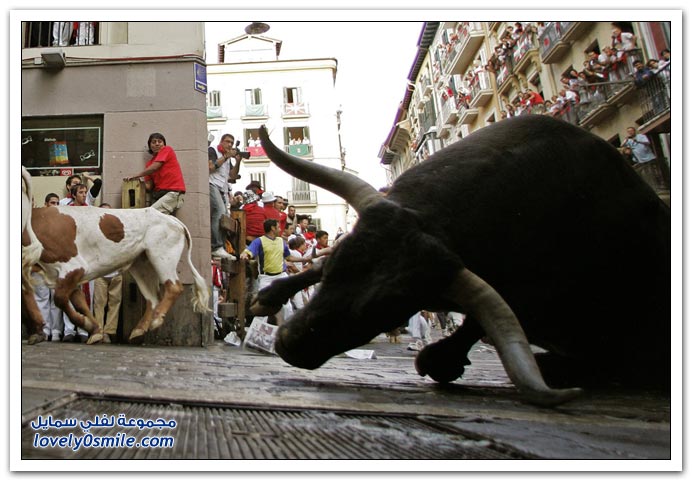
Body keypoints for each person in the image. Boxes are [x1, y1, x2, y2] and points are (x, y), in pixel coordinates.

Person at [240, 219, 306, 325]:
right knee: (262, 307)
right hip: (266, 278)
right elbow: (249, 251)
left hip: (281, 275)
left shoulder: (281, 241)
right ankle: (258, 335)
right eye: (278, 227)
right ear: (272, 228)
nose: (280, 229)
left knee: (287, 307)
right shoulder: (259, 241)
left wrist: (305, 259)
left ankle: (286, 331)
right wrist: (245, 254)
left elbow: (288, 257)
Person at [124, 132, 185, 215]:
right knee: (158, 223)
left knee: (151, 215)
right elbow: (149, 186)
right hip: (158, 194)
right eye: (153, 142)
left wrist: (136, 175)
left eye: (159, 142)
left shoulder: (167, 149)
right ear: (150, 146)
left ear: (164, 144)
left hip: (172, 192)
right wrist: (137, 182)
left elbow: (154, 167)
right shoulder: (149, 164)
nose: (157, 144)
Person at [32, 193, 63, 341]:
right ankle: (44, 329)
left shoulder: (62, 224)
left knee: (55, 300)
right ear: (46, 204)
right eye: (52, 202)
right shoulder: (37, 222)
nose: (55, 206)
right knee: (41, 298)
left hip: (55, 266)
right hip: (39, 265)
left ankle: (56, 330)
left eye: (57, 203)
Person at [92, 203, 123, 344]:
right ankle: (98, 330)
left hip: (116, 271)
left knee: (114, 303)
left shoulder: (118, 231)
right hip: (100, 271)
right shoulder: (95, 231)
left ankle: (110, 331)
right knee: (99, 303)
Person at [209, 133, 240, 260]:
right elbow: (210, 166)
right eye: (227, 142)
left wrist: (238, 162)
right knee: (220, 211)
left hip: (222, 188)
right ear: (221, 141)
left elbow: (232, 176)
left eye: (231, 143)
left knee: (224, 217)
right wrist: (227, 156)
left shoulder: (227, 158)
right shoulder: (213, 150)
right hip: (212, 184)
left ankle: (221, 247)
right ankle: (216, 246)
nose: (229, 145)